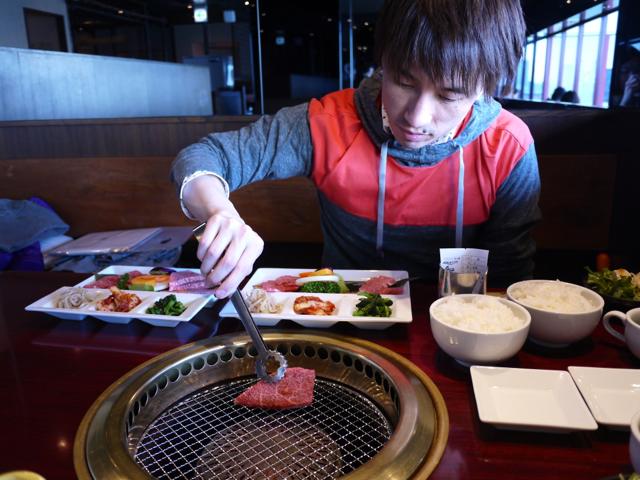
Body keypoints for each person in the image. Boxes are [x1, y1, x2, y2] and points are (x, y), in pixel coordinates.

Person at [171, 0, 541, 299]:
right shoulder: (328, 123)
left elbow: (508, 280)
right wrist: (220, 212)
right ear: (383, 61)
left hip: (457, 324)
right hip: (338, 317)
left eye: (449, 95)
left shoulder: (506, 146)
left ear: (485, 89)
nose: (416, 117)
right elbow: (202, 157)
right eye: (404, 81)